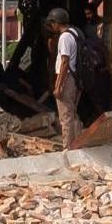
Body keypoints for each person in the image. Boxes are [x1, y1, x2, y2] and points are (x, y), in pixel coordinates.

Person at [45, 8, 83, 148]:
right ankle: (78, 143)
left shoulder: (64, 37)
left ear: (56, 23)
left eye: (52, 23)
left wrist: (58, 86)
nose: (51, 27)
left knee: (65, 116)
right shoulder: (76, 32)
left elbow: (64, 62)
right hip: (76, 78)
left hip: (67, 79)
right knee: (73, 113)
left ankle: (68, 147)